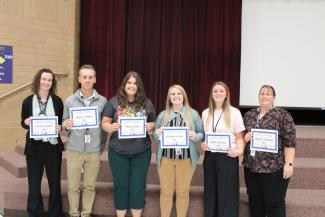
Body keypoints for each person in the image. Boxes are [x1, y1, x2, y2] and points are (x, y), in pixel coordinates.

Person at [101, 71, 156, 217]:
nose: (132, 86)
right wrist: (110, 127)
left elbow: (153, 123)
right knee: (121, 186)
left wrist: (151, 126)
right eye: (129, 82)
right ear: (124, 84)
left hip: (141, 151)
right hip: (118, 152)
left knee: (138, 186)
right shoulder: (113, 102)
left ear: (139, 86)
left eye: (135, 83)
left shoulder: (146, 102)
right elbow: (104, 123)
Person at [242, 85, 296, 217]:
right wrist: (245, 138)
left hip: (274, 169)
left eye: (268, 94)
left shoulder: (283, 115)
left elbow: (290, 142)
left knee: (274, 203)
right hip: (251, 167)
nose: (264, 96)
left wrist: (289, 164)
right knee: (255, 202)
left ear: (274, 97)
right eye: (262, 93)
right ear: (258, 96)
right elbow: (241, 138)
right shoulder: (249, 115)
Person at [152, 84, 204, 217]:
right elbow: (154, 136)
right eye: (173, 94)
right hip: (166, 159)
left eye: (179, 93)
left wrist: (195, 136)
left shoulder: (193, 114)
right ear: (169, 98)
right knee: (166, 192)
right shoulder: (163, 115)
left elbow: (201, 133)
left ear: (183, 96)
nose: (176, 96)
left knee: (182, 192)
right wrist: (156, 133)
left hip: (186, 159)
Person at [62, 64, 107, 217]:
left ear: (94, 79)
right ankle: (74, 213)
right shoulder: (69, 101)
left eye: (90, 77)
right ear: (79, 79)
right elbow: (63, 124)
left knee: (89, 186)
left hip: (93, 151)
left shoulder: (102, 101)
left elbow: (104, 127)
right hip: (74, 149)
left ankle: (86, 213)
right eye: (84, 77)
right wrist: (66, 125)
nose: (87, 80)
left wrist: (100, 145)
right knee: (73, 186)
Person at [21, 68, 64, 217]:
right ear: (38, 80)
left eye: (49, 80)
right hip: (34, 148)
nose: (46, 82)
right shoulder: (27, 101)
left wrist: (60, 127)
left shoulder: (58, 101)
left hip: (52, 147)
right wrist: (25, 122)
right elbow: (23, 122)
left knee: (54, 183)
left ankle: (55, 213)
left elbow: (60, 122)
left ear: (52, 83)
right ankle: (34, 213)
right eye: (44, 79)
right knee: (34, 184)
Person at [200, 81, 245, 217]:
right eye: (215, 91)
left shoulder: (234, 112)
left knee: (227, 194)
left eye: (221, 91)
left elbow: (240, 137)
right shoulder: (205, 113)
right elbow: (205, 136)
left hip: (228, 156)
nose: (218, 93)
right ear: (211, 94)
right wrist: (202, 144)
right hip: (210, 157)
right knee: (210, 192)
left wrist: (239, 150)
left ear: (226, 94)